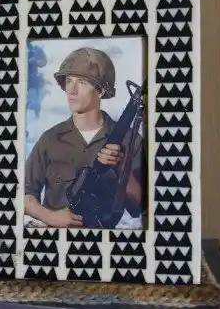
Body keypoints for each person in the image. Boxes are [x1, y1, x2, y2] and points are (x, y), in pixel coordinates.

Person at [24, 47, 145, 228]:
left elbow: (140, 207)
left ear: (101, 90)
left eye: (82, 82)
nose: (71, 90)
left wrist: (122, 167)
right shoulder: (50, 139)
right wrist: (49, 217)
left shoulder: (130, 140)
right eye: (69, 81)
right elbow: (24, 193)